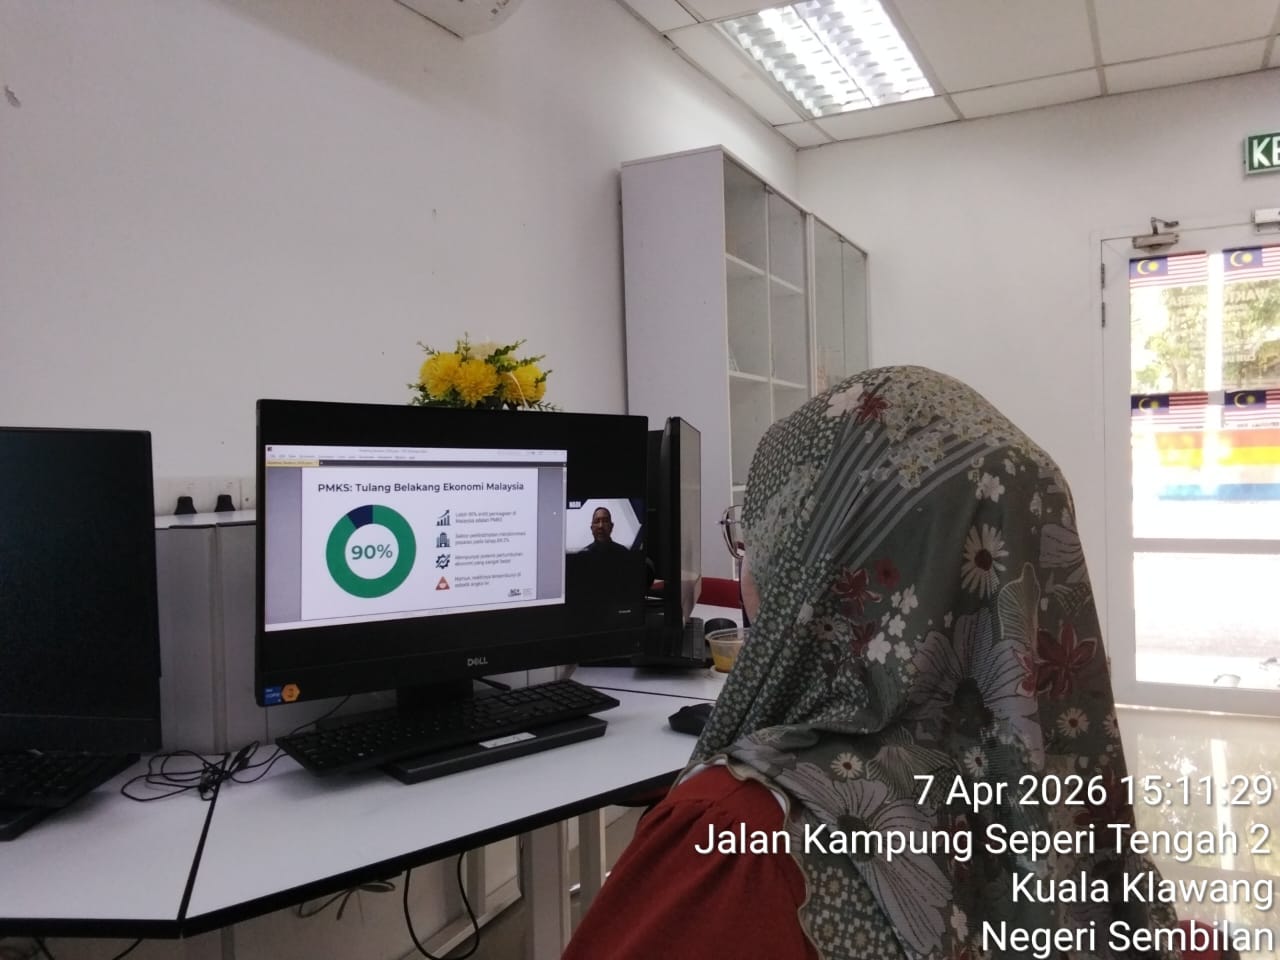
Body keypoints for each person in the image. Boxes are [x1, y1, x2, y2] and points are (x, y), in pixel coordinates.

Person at [565, 366, 1182, 960]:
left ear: (810, 561)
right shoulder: (1064, 791)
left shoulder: (735, 843)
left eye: (757, 533)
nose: (746, 559)